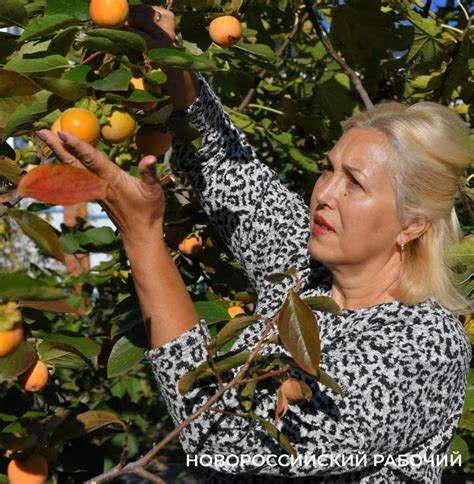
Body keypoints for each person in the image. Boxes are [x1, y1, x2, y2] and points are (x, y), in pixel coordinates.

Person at [37, 6, 472, 483]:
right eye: (327, 170)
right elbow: (232, 174)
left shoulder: (425, 343)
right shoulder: (304, 272)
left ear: (411, 225)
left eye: (354, 183)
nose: (324, 194)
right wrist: (176, 70)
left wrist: (143, 238)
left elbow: (232, 445)